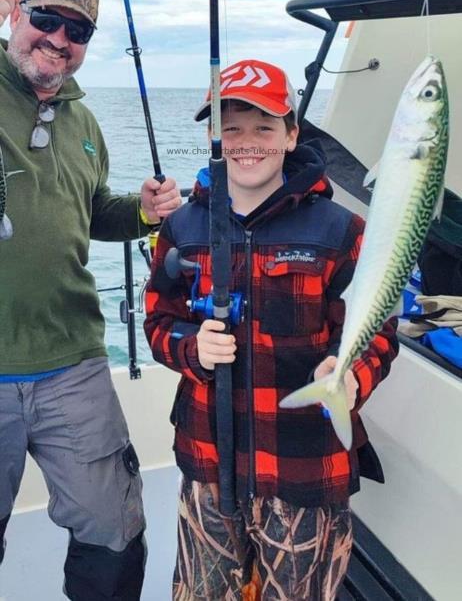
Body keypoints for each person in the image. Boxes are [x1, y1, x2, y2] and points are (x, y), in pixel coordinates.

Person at [144, 58, 399, 601]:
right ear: (215, 136)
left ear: (290, 135)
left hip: (306, 470)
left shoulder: (342, 229)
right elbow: (157, 320)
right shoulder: (183, 226)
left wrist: (353, 373)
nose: (247, 142)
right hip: (208, 463)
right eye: (231, 128)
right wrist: (191, 349)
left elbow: (377, 332)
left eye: (264, 127)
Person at [0, 0, 182, 601]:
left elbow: (92, 210)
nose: (57, 37)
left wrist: (143, 210)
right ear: (15, 15)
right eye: (44, 18)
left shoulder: (85, 124)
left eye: (76, 29)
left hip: (72, 361)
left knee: (115, 527)